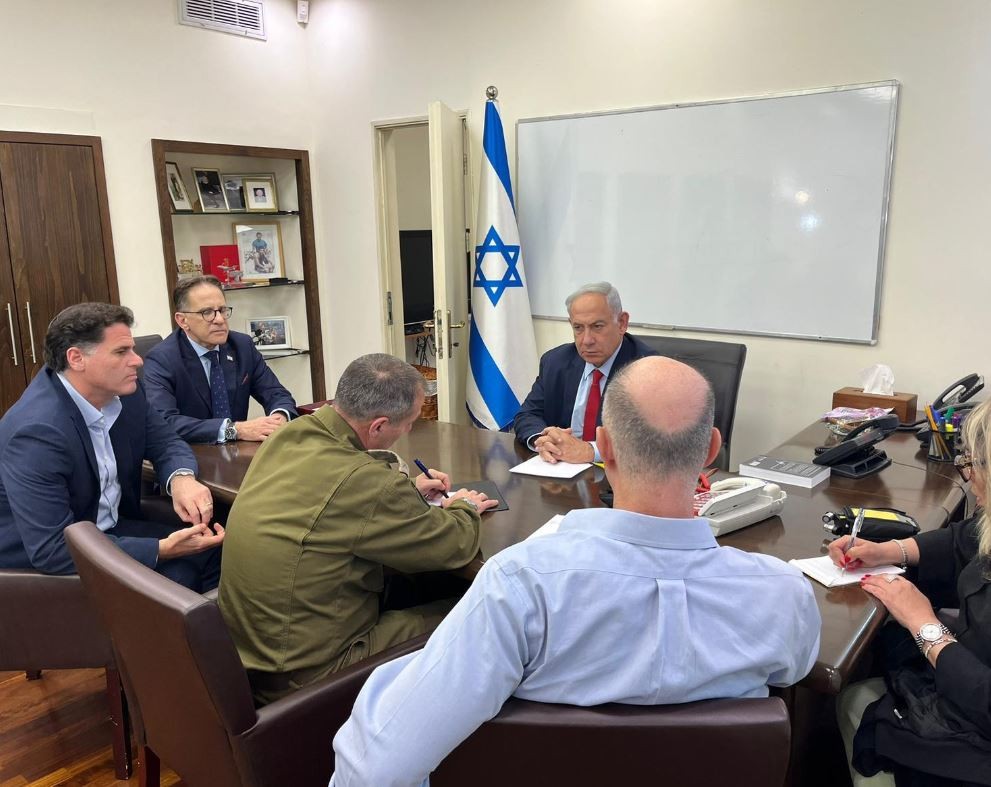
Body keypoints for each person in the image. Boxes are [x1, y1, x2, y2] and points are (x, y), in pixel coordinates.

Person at [331, 356, 821, 786]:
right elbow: (795, 673)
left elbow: (378, 769)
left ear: (603, 446)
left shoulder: (520, 586)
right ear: (712, 450)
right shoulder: (784, 594)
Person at [218, 353, 497, 705]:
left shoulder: (290, 436)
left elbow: (324, 499)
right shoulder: (366, 482)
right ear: (378, 426)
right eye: (410, 423)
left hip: (249, 656)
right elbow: (453, 546)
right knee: (481, 609)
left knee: (415, 587)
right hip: (311, 675)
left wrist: (406, 492)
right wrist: (464, 507)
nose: (409, 431)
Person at [831, 387, 991, 787]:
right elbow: (964, 540)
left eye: (973, 463)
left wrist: (924, 625)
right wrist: (887, 550)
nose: (968, 475)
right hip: (977, 689)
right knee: (874, 669)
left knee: (859, 704)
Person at [0, 303, 224, 592]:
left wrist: (181, 478)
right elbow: (51, 549)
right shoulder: (37, 432)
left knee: (214, 547)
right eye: (121, 352)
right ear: (76, 358)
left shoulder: (124, 393)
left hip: (107, 527)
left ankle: (211, 621)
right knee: (180, 575)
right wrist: (160, 550)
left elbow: (165, 441)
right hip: (45, 564)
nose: (137, 361)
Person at [513, 281, 657, 464]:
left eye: (597, 326)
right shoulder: (555, 362)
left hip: (619, 475)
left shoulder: (648, 370)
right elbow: (527, 415)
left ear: (622, 323)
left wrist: (590, 451)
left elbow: (651, 439)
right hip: (560, 470)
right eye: (578, 328)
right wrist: (543, 439)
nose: (587, 340)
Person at [143, 275, 296, 444]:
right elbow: (165, 421)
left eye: (222, 310)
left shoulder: (242, 346)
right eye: (207, 312)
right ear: (182, 320)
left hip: (239, 450)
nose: (220, 319)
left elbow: (276, 393)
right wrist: (234, 430)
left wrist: (278, 418)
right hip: (192, 452)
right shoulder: (162, 359)